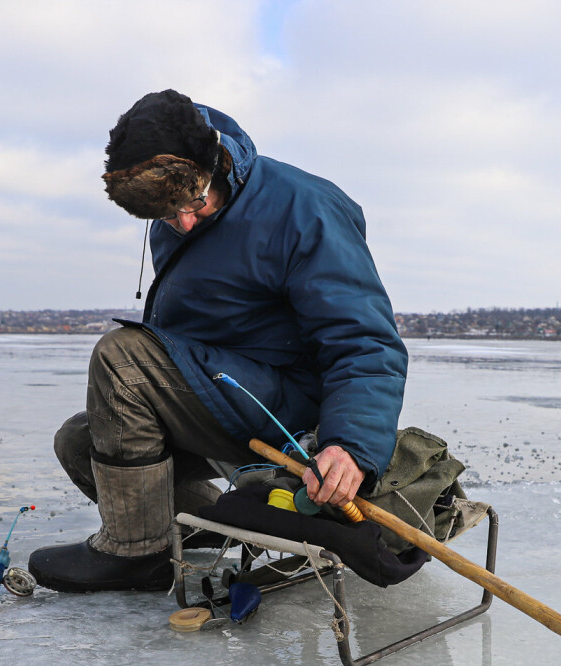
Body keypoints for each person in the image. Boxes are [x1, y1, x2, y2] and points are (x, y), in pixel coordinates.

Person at [29, 89, 408, 593]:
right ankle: (209, 525)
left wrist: (351, 446)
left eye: (194, 203)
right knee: (79, 443)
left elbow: (364, 342)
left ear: (216, 162)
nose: (183, 222)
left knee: (122, 358)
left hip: (286, 404)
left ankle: (136, 554)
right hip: (218, 382)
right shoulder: (178, 206)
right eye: (166, 216)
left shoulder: (304, 209)